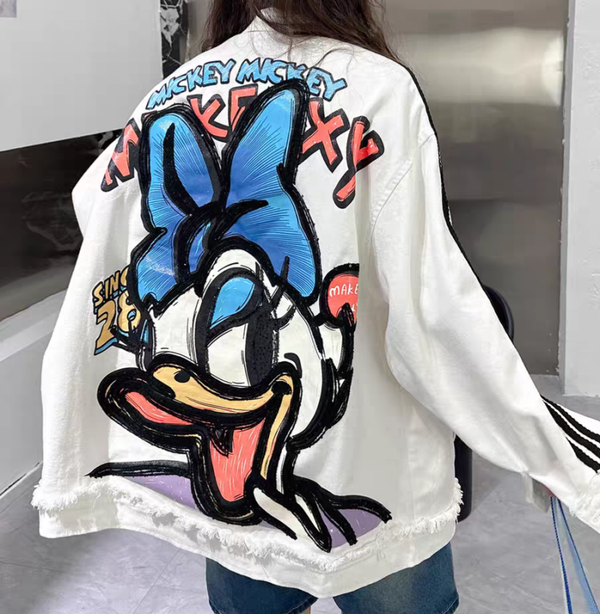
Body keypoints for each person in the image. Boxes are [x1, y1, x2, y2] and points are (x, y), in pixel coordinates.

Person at [33, 1, 600, 613]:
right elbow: (437, 311)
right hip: (376, 481)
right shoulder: (379, 88)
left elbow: (95, 205)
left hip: (232, 494)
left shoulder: (169, 92)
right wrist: (543, 447)